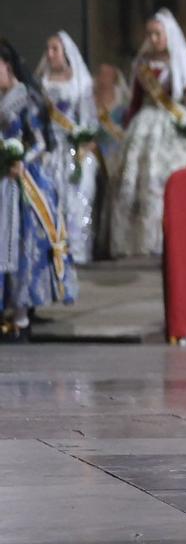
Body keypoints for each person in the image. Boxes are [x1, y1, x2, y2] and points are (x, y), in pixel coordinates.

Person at [106, 10, 186, 259]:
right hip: (144, 127)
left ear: (168, 35)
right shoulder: (142, 65)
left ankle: (174, 240)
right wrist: (125, 129)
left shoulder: (182, 63)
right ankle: (139, 242)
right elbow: (135, 103)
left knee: (170, 181)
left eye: (157, 34)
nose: (153, 39)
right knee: (137, 182)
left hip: (172, 129)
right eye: (149, 34)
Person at [1, 40, 72, 340]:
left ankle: (21, 317)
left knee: (22, 245)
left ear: (7, 66)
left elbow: (41, 142)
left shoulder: (26, 98)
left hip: (22, 179)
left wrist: (19, 160)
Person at [38, 33, 100, 268]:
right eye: (48, 49)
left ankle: (78, 250)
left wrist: (83, 142)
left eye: (55, 49)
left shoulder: (80, 83)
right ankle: (54, 250)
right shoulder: (42, 82)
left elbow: (88, 119)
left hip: (75, 151)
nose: (50, 53)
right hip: (50, 150)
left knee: (77, 201)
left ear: (66, 52)